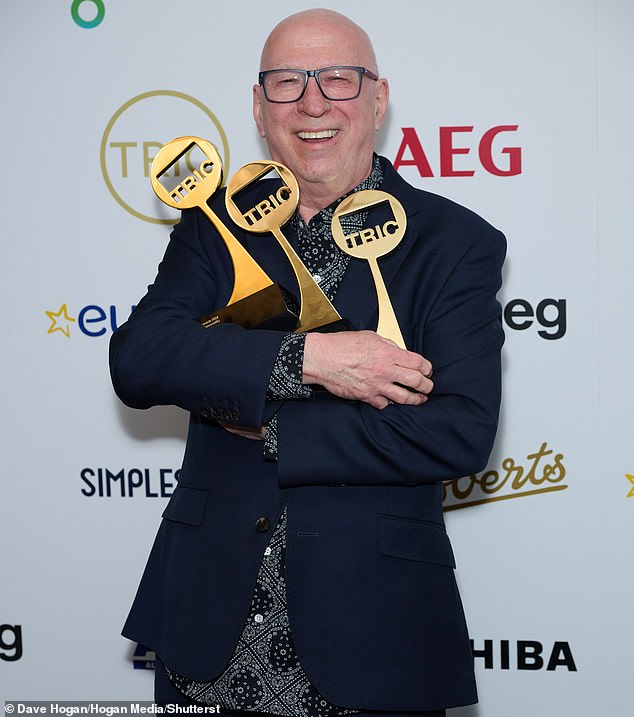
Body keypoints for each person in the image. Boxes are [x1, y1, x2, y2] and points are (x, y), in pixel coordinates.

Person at [109, 8, 505, 717]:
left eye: (338, 79)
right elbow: (141, 359)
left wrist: (277, 432)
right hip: (208, 633)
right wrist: (313, 359)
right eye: (287, 83)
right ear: (259, 109)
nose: (313, 102)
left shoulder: (455, 242)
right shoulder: (217, 225)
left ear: (378, 100)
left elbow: (458, 430)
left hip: (375, 637)